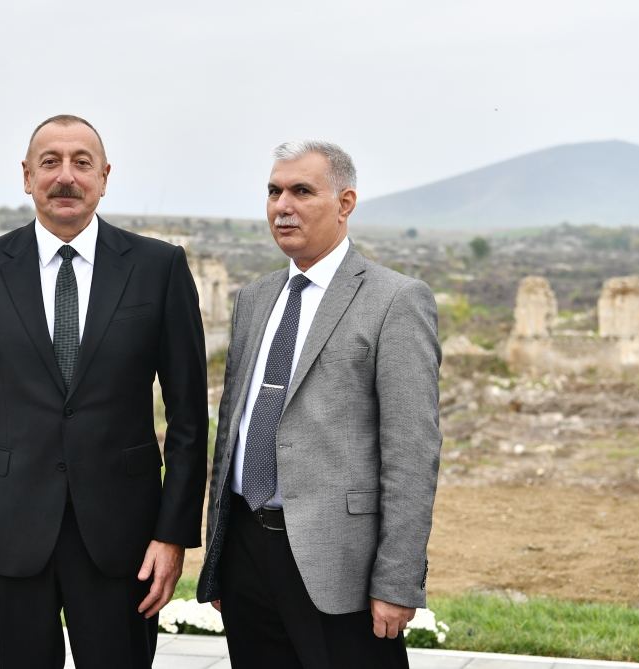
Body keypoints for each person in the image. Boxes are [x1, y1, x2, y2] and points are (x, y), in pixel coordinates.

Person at [0, 114, 208, 668]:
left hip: (124, 540)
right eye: (50, 162)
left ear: (104, 176)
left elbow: (190, 420)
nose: (66, 176)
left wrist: (173, 536)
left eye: (82, 163)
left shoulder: (159, 268)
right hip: (7, 535)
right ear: (26, 176)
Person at [196, 140, 441, 668]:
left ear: (345, 203)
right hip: (246, 552)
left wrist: (398, 580)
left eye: (301, 191)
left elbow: (412, 454)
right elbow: (234, 428)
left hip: (339, 565)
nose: (282, 206)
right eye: (273, 191)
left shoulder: (395, 300)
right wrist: (219, 559)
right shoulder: (255, 298)